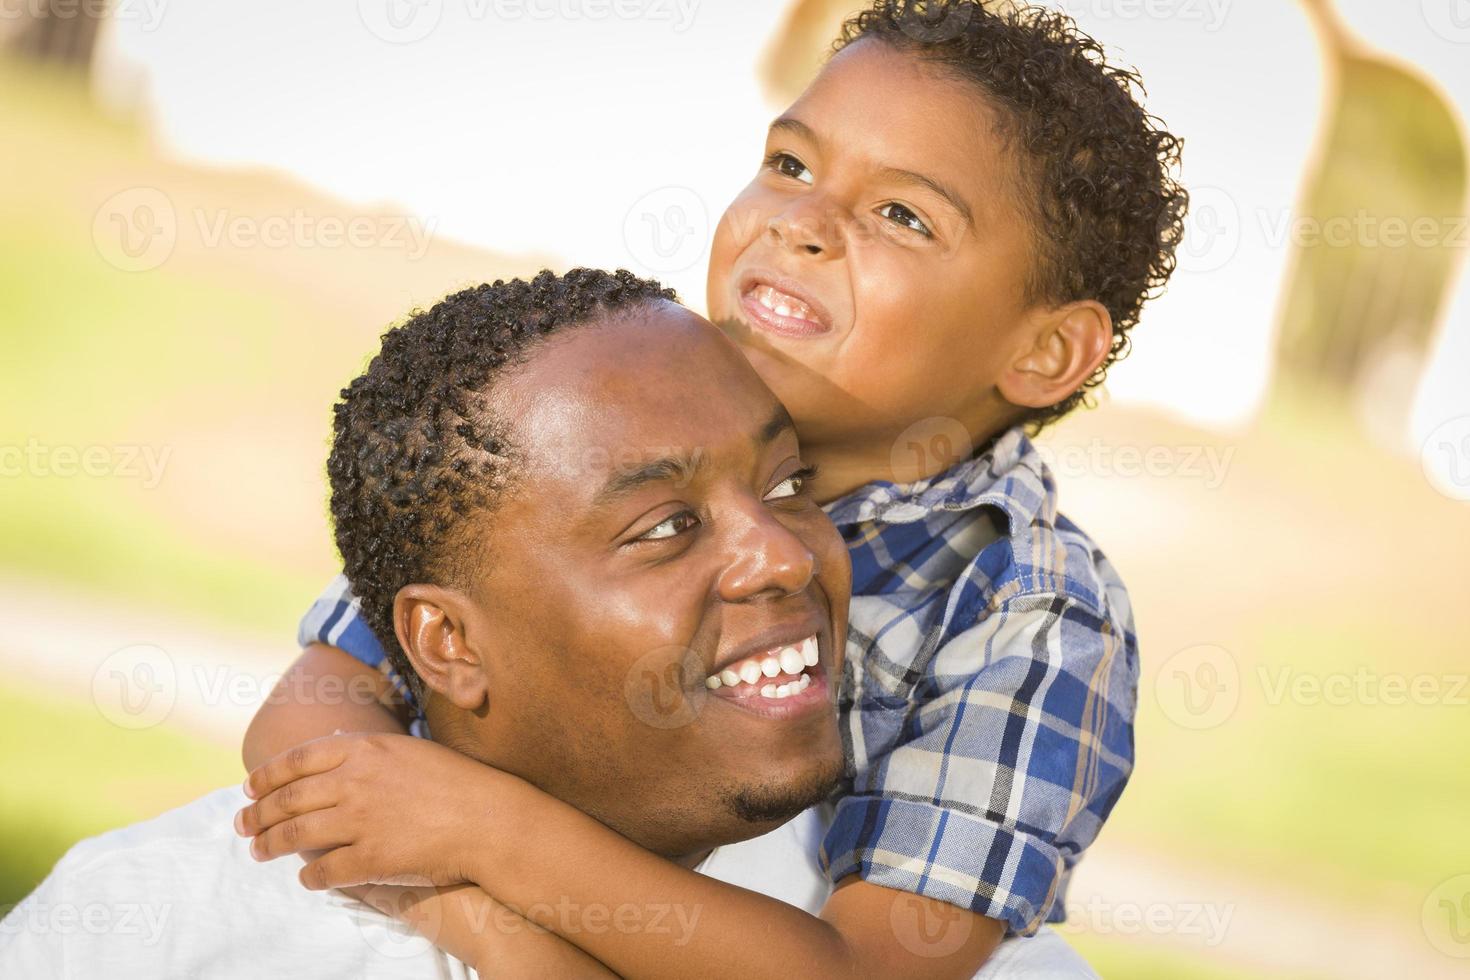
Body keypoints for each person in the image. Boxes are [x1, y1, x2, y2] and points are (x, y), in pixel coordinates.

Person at [243, 1, 1184, 973]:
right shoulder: (603, 407)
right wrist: (481, 922)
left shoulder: (1030, 608)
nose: (803, 223)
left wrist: (490, 833)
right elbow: (314, 712)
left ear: (1044, 350)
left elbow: (867, 970)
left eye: (901, 214)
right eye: (792, 164)